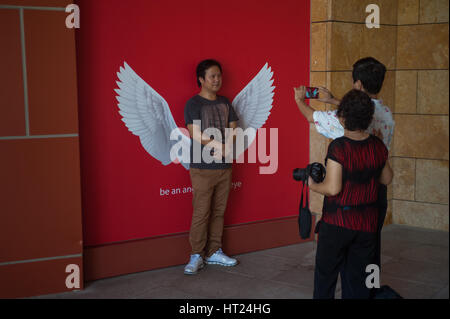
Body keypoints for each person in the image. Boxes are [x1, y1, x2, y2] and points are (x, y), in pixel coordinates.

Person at [294, 57, 394, 289]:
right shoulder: (386, 113)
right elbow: (364, 111)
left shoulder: (342, 139)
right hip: (374, 198)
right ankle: (368, 292)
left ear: (357, 83)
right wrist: (332, 100)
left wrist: (299, 100)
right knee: (367, 259)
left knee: (328, 269)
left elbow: (311, 117)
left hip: (344, 205)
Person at [183, 59, 239, 275]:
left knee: (219, 211)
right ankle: (196, 255)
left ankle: (214, 251)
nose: (217, 80)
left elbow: (234, 126)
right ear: (201, 80)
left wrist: (228, 146)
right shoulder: (193, 104)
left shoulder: (225, 102)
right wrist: (220, 146)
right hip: (202, 168)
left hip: (224, 167)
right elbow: (194, 133)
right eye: (212, 77)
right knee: (201, 212)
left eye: (219, 76)